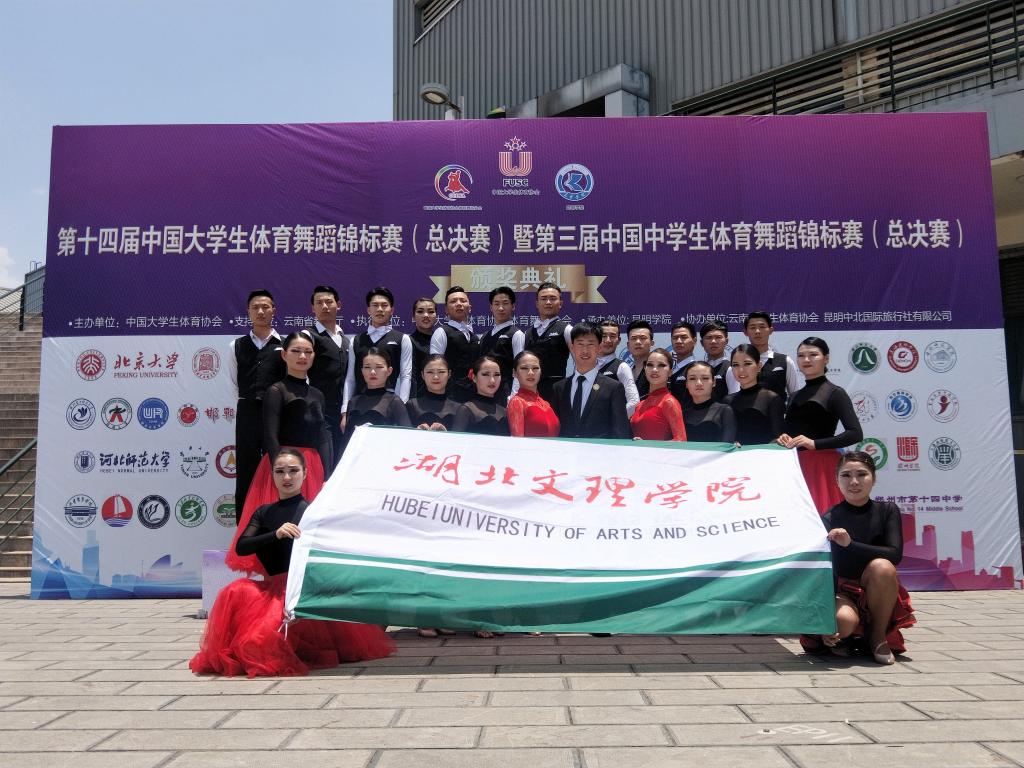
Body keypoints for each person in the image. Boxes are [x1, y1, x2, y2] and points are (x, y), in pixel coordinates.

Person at [190, 449, 395, 677]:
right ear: (272, 475)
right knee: (236, 593)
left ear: (305, 473)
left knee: (258, 642)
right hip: (269, 592)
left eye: (293, 471)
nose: (287, 477)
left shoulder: (313, 512)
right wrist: (275, 534)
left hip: (301, 591)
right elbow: (242, 546)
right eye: (280, 471)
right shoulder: (263, 512)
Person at [802, 451, 915, 664]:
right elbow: (823, 569)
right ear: (836, 480)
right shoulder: (829, 518)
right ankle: (846, 637)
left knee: (883, 566)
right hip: (843, 591)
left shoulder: (887, 510)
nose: (854, 482)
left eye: (861, 474)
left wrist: (850, 544)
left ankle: (877, 637)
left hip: (878, 587)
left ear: (874, 478)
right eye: (846, 475)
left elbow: (895, 554)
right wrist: (826, 622)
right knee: (841, 622)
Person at [777, 337, 863, 514]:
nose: (806, 359)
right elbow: (789, 431)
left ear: (826, 358)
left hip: (822, 466)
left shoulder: (835, 393)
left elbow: (855, 433)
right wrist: (782, 437)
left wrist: (814, 444)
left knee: (824, 518)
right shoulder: (793, 396)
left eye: (813, 355)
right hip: (794, 466)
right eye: (801, 355)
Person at [228, 289, 284, 522]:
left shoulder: (285, 344)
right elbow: (234, 384)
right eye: (255, 307)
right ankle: (244, 529)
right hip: (248, 412)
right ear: (248, 312)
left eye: (265, 307)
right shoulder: (236, 345)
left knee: (278, 466)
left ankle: (278, 524)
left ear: (274, 310)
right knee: (246, 471)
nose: (261, 311)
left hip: (277, 414)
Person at [553, 322, 631, 439]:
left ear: (599, 348)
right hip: (566, 450)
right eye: (580, 344)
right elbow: (554, 428)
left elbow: (620, 431)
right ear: (572, 347)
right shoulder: (559, 388)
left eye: (590, 344)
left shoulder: (613, 388)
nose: (585, 350)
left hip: (599, 450)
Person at [308, 285, 353, 465]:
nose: (324, 306)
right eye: (319, 303)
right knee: (324, 463)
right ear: (313, 308)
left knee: (341, 462)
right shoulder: (308, 336)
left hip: (342, 413)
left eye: (329, 302)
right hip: (319, 411)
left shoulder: (346, 339)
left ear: (338, 305)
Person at [349, 286, 412, 401]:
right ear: (368, 310)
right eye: (375, 305)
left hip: (388, 402)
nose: (379, 309)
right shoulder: (356, 340)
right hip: (360, 402)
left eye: (384, 305)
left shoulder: (402, 339)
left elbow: (406, 376)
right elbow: (350, 378)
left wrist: (402, 404)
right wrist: (345, 407)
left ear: (392, 310)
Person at [726, 311, 802, 405]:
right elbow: (734, 395)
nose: (757, 331)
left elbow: (795, 395)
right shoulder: (736, 365)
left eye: (762, 327)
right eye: (752, 327)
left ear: (770, 330)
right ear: (745, 332)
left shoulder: (785, 361)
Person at [343, 348, 412, 445]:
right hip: (355, 453)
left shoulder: (395, 402)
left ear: (389, 371)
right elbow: (345, 441)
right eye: (367, 367)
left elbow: (407, 437)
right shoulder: (353, 402)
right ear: (362, 371)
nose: (372, 372)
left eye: (379, 367)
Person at [724, 343, 784, 445]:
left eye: (747, 364)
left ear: (759, 366)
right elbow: (725, 437)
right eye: (736, 365)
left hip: (764, 454)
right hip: (734, 455)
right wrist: (731, 443)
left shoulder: (771, 399)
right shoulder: (727, 401)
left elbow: (779, 438)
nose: (741, 370)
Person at [524, 282, 573, 404]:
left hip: (557, 393)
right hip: (531, 392)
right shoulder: (528, 333)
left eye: (553, 298)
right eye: (544, 298)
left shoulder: (567, 330)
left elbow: (579, 362)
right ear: (537, 303)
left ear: (560, 303)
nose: (548, 302)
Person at [429, 286, 480, 402]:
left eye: (463, 301)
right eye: (453, 301)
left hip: (474, 396)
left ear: (469, 307)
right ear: (446, 309)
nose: (459, 304)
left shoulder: (474, 336)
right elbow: (435, 367)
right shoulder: (441, 332)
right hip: (449, 397)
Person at [479, 286, 525, 402]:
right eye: (496, 304)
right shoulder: (485, 335)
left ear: (513, 306)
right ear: (491, 307)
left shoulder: (516, 334)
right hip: (483, 393)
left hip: (505, 393)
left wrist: (514, 396)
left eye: (505, 303)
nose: (501, 308)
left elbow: (519, 367)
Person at [631, 348, 687, 441]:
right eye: (650, 365)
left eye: (661, 365)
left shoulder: (669, 402)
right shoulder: (639, 405)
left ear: (670, 372)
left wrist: (647, 445)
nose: (654, 370)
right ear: (645, 369)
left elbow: (681, 440)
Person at [451, 356, 509, 435]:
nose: (492, 380)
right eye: (485, 374)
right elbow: (455, 440)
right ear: (474, 377)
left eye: (497, 374)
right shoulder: (466, 410)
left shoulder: (504, 412)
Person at [507, 351, 560, 438]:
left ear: (541, 372)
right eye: (524, 368)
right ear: (514, 373)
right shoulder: (517, 402)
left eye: (535, 368)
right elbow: (517, 441)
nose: (531, 372)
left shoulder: (546, 404)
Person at [682, 361, 737, 442]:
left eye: (705, 378)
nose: (699, 383)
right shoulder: (682, 414)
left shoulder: (724, 411)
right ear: (686, 384)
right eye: (692, 378)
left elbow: (727, 445)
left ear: (714, 382)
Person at [596, 319, 641, 416]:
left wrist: (613, 419)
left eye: (612, 336)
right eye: (603, 336)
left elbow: (634, 402)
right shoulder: (587, 366)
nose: (608, 340)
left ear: (619, 340)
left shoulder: (622, 367)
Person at [406, 354, 461, 431]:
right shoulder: (412, 405)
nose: (436, 377)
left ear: (449, 374)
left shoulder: (459, 409)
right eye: (430, 372)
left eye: (441, 372)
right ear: (422, 375)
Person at [408, 297, 438, 398]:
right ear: (413, 317)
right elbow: (410, 376)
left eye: (431, 311)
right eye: (420, 311)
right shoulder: (408, 342)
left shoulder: (443, 340)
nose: (426, 315)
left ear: (436, 316)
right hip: (418, 399)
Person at [668, 321, 697, 408]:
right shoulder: (669, 369)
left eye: (684, 337)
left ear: (694, 341)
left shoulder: (698, 370)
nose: (679, 341)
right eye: (675, 338)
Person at [699, 319, 730, 402]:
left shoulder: (730, 368)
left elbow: (735, 397)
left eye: (718, 337)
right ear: (702, 343)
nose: (713, 341)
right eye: (709, 338)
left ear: (726, 341)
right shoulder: (699, 369)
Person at [626, 320, 654, 398]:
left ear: (652, 343)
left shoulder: (658, 370)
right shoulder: (625, 372)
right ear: (628, 345)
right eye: (634, 338)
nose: (638, 342)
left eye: (643, 338)